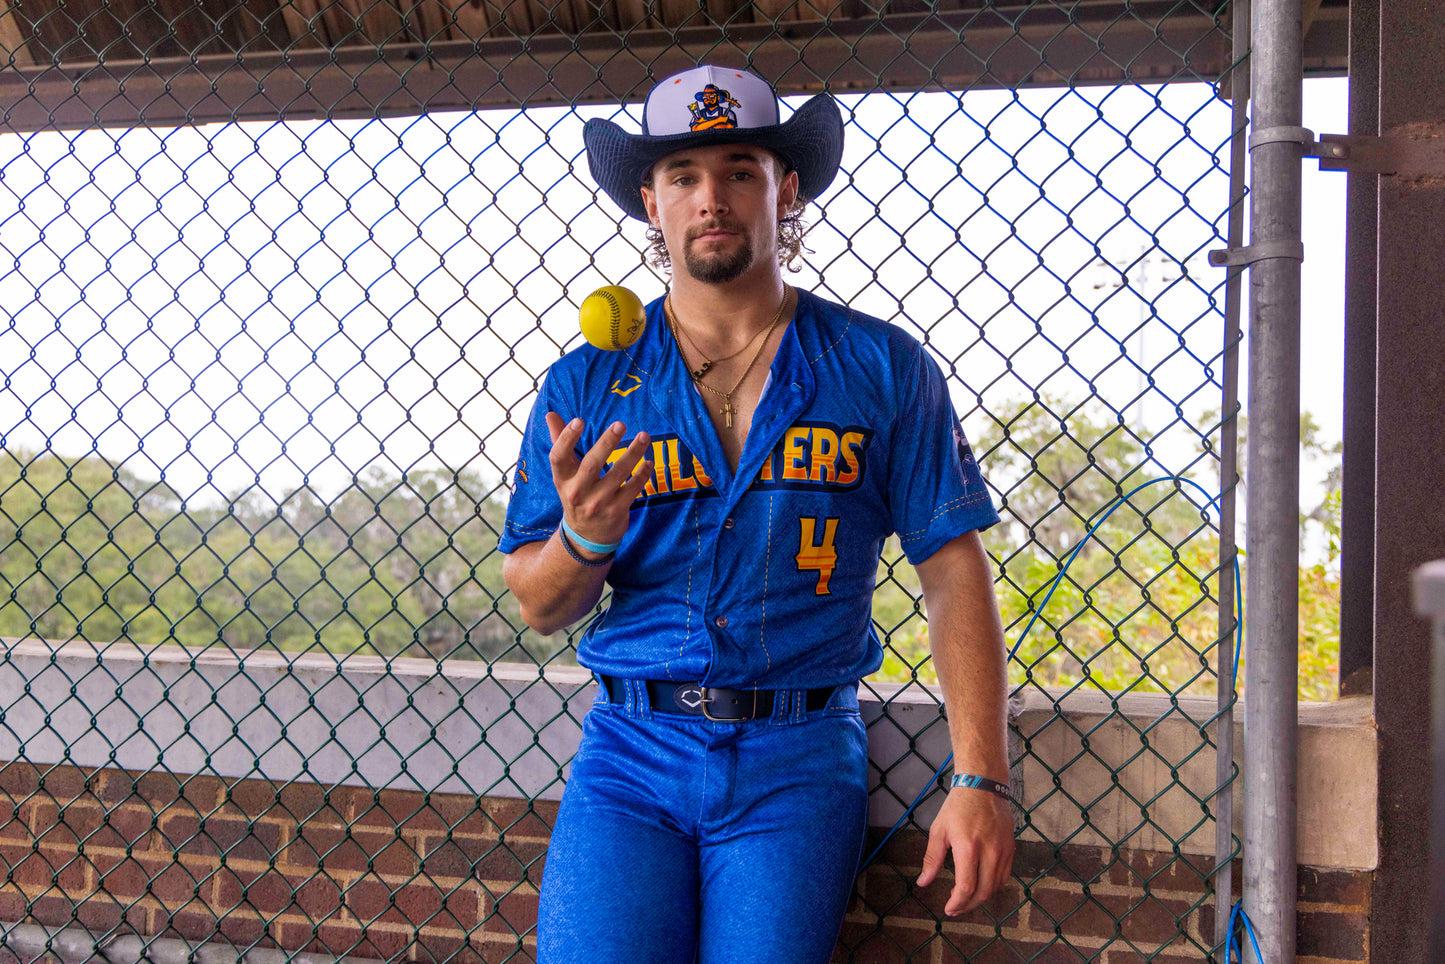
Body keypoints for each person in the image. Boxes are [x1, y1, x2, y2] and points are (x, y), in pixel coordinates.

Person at [499, 63, 1015, 964]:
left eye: (740, 171)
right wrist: (584, 537)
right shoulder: (587, 381)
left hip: (799, 754)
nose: (712, 199)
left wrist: (980, 777)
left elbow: (950, 568)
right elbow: (539, 605)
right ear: (650, 205)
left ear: (786, 191)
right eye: (683, 177)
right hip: (631, 753)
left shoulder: (881, 366)